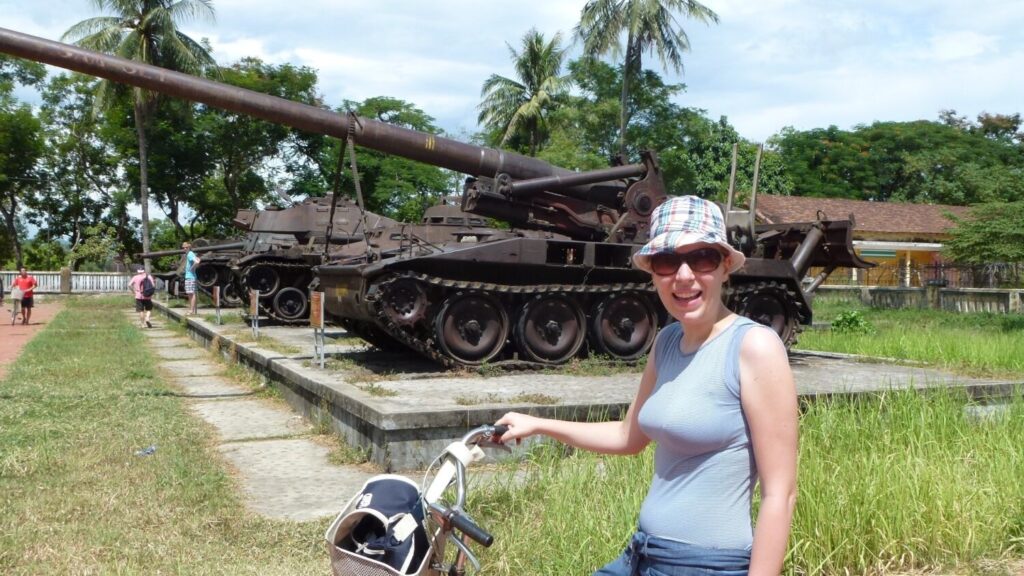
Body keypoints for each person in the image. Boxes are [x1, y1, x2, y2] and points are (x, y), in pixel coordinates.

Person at [497, 195, 798, 576]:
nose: (684, 276)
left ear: (725, 265)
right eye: (667, 261)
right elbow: (629, 436)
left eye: (701, 257)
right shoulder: (667, 342)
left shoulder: (753, 346)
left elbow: (780, 495)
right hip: (641, 554)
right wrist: (539, 424)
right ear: (653, 272)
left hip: (703, 566)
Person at [182, 241, 201, 315]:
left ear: (189, 247)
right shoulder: (189, 254)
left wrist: (192, 268)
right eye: (184, 247)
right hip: (189, 276)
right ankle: (191, 309)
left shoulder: (190, 254)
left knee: (191, 294)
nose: (185, 248)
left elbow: (197, 261)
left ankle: (191, 310)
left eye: (186, 247)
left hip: (191, 277)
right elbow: (198, 260)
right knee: (190, 294)